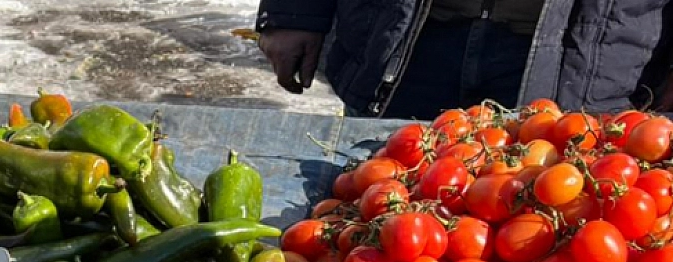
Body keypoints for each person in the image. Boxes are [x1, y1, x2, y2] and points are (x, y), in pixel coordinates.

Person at [255, 0, 673, 119]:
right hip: (410, 42)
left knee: (548, 246)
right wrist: (295, 10)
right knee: (376, 229)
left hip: (583, 60)